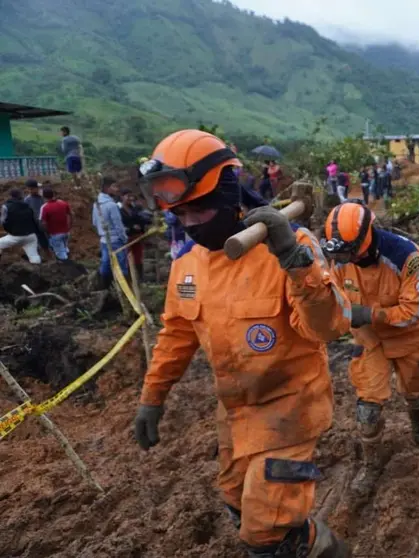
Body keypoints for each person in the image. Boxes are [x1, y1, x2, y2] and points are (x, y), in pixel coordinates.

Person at [134, 129, 352, 558]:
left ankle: (323, 548)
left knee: (266, 533)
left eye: (199, 208)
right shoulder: (188, 267)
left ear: (227, 193)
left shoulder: (291, 248)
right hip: (234, 414)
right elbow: (176, 336)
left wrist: (293, 259)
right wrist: (152, 396)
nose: (191, 222)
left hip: (291, 409)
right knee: (237, 504)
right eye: (181, 213)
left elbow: (331, 327)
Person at [322, 203, 419, 497]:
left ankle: (417, 417)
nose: (346, 260)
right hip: (371, 340)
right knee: (367, 407)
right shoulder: (340, 258)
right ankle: (371, 464)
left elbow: (416, 311)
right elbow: (333, 294)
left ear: (367, 235)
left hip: (409, 336)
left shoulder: (407, 258)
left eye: (350, 253)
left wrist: (370, 314)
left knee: (415, 387)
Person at [92, 177, 129, 288]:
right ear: (107, 188)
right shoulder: (111, 205)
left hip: (103, 240)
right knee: (122, 266)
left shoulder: (96, 204)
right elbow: (118, 226)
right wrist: (124, 238)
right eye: (114, 186)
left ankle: (105, 287)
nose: (117, 189)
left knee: (106, 264)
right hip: (116, 240)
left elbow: (94, 222)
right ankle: (125, 289)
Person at [0, 188, 41, 264]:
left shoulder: (6, 207)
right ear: (21, 196)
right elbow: (34, 220)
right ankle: (39, 271)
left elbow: (2, 221)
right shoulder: (27, 206)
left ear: (10, 196)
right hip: (31, 236)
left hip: (15, 236)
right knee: (34, 256)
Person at [120, 189, 153, 280]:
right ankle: (130, 278)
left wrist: (143, 224)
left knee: (138, 257)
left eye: (131, 196)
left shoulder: (135, 209)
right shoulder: (119, 211)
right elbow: (120, 224)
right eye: (127, 196)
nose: (130, 198)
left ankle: (140, 278)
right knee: (128, 257)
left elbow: (142, 218)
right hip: (127, 237)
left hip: (137, 236)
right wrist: (131, 227)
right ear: (122, 197)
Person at [39, 187, 72, 261]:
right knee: (65, 248)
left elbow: (43, 223)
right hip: (66, 232)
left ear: (43, 196)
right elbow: (69, 215)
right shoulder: (63, 203)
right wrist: (69, 227)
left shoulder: (44, 207)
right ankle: (70, 262)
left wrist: (47, 233)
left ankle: (68, 267)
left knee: (60, 254)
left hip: (55, 234)